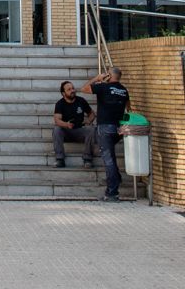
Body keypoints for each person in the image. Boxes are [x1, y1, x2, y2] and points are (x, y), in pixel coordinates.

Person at [81, 67, 130, 201]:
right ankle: (117, 178)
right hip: (118, 129)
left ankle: (112, 193)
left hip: (105, 128)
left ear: (109, 75)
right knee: (109, 155)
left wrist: (97, 79)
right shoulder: (124, 90)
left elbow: (84, 88)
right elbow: (128, 109)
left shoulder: (103, 87)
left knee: (109, 160)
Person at [51, 80, 96, 169]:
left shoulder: (81, 101)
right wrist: (66, 124)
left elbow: (92, 113)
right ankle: (60, 159)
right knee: (56, 129)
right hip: (66, 132)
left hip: (79, 130)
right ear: (63, 93)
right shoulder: (60, 104)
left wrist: (88, 121)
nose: (72, 90)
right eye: (69, 89)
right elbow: (57, 120)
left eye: (73, 88)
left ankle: (87, 159)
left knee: (91, 129)